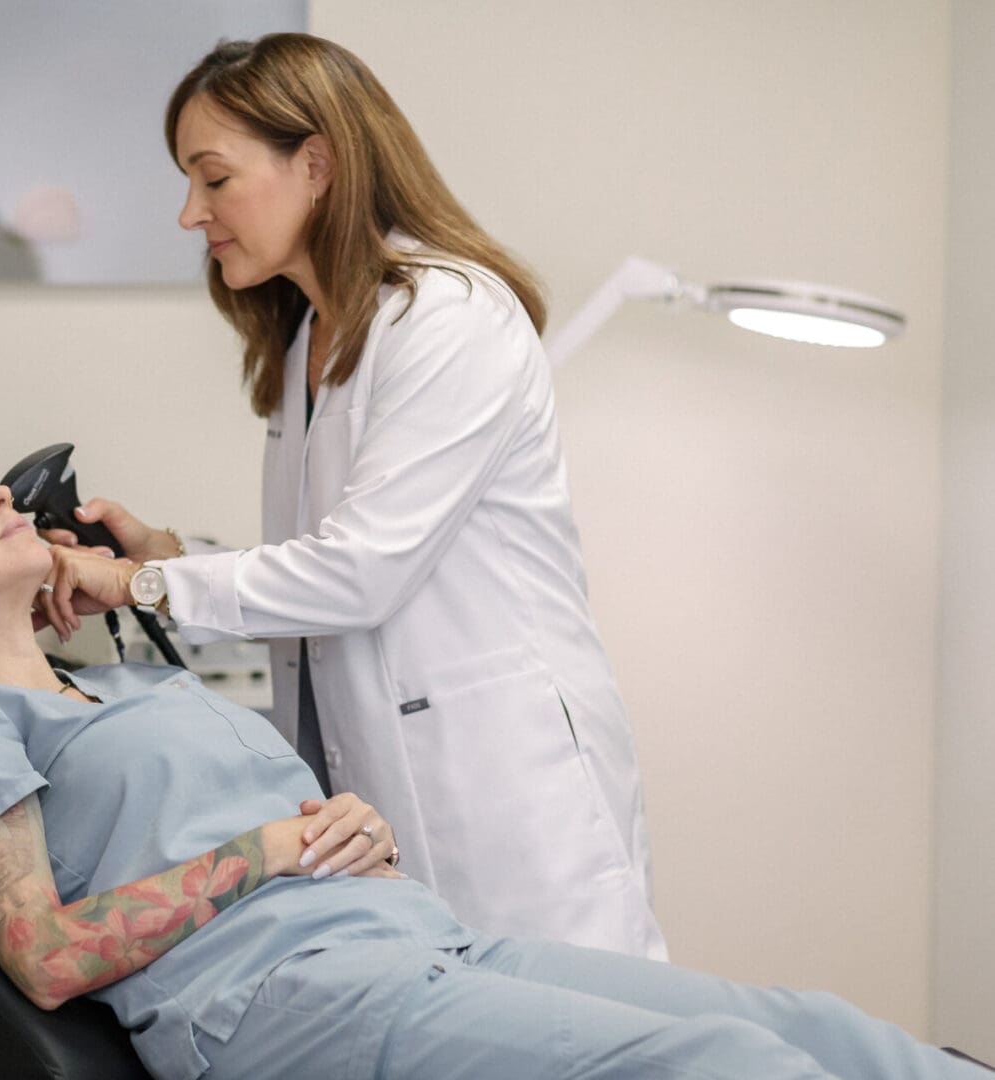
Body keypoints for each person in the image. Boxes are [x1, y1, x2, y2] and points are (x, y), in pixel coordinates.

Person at [0, 455, 982, 1080]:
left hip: (414, 946)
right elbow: (41, 961)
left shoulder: (129, 685)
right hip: (269, 1010)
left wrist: (348, 832)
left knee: (816, 1030)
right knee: (726, 1070)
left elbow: (262, 832)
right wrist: (276, 849)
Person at [37, 32, 665, 958]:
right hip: (371, 786)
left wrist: (141, 588)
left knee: (581, 1036)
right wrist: (170, 560)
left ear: (317, 164)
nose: (189, 214)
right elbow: (328, 566)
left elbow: (361, 574)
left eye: (213, 178)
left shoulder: (448, 316)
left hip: (500, 784)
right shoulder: (307, 343)